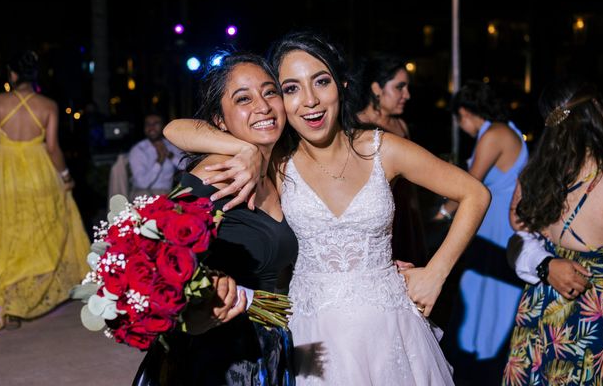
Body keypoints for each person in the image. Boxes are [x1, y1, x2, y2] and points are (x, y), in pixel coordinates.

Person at [164, 30, 491, 384]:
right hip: (310, 334)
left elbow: (475, 193)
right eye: (291, 88)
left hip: (390, 327)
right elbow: (178, 129)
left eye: (321, 82)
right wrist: (240, 149)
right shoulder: (274, 161)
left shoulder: (383, 148)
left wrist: (435, 273)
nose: (310, 101)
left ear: (343, 86)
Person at [133, 51, 298, 386]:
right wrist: (192, 317)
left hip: (265, 348)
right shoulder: (217, 170)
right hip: (219, 361)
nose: (263, 106)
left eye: (270, 92)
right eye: (243, 98)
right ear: (220, 121)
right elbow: (159, 258)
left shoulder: (279, 167)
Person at [0, 50, 91, 335]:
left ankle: (11, 306)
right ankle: (31, 295)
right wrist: (65, 177)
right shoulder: (47, 105)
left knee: (9, 234)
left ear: (12, 75)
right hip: (40, 174)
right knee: (39, 233)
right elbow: (52, 147)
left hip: (8, 175)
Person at [503, 76, 603, 386]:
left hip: (543, 308)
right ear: (597, 112)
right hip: (592, 315)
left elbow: (517, 233)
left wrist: (547, 260)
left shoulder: (535, 176)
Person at [436, 80, 528, 382]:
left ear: (463, 113)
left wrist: (440, 212)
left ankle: (481, 366)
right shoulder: (508, 129)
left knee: (486, 295)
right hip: (498, 225)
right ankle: (482, 362)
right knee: (485, 297)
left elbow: (470, 183)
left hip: (496, 229)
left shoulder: (493, 134)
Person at [354, 52, 428, 266]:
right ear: (376, 88)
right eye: (399, 87)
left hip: (407, 214)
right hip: (378, 219)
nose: (407, 95)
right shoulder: (356, 126)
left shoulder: (401, 126)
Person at [128, 113, 184, 199]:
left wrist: (170, 155)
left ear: (163, 126)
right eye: (148, 124)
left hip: (167, 194)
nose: (151, 127)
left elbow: (186, 166)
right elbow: (142, 184)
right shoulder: (138, 149)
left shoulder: (171, 145)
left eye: (156, 123)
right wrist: (159, 161)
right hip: (142, 195)